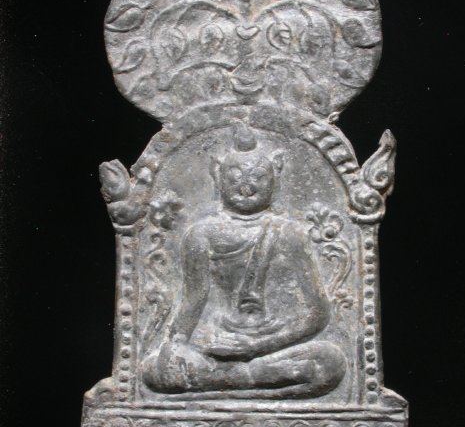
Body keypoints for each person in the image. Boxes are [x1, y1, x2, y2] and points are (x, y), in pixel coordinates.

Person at [142, 124, 346, 397]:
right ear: (218, 175)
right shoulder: (202, 233)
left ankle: (229, 381)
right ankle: (249, 381)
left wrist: (259, 345)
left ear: (275, 176)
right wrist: (177, 343)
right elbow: (193, 301)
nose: (246, 187)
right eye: (235, 177)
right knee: (155, 369)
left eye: (258, 177)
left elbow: (318, 314)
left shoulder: (289, 233)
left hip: (274, 345)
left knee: (331, 362)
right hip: (216, 344)